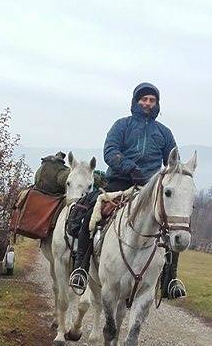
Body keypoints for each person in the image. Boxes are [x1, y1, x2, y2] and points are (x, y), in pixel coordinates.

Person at [68, 82, 186, 299]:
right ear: (136, 102)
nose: (148, 103)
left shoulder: (164, 132)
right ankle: (81, 269)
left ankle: (170, 280)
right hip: (119, 183)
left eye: (152, 100)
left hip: (149, 188)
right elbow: (110, 151)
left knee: (171, 226)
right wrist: (130, 168)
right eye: (144, 99)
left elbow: (173, 162)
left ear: (157, 104)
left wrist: (167, 177)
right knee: (89, 214)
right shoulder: (121, 126)